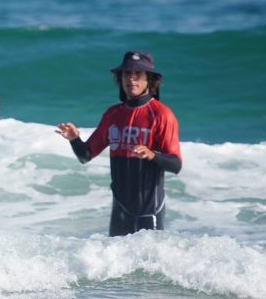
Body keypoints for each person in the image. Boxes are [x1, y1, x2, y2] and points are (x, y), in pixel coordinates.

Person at [56, 50, 182, 236]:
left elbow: (176, 165)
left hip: (150, 211)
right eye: (127, 73)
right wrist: (74, 139)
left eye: (138, 74)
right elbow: (86, 155)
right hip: (120, 211)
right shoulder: (113, 115)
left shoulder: (162, 115)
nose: (131, 79)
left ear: (150, 79)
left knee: (150, 264)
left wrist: (152, 155)